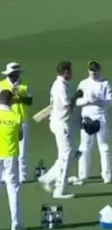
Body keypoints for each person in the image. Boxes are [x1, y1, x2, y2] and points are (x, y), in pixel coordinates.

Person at [39, 61, 79, 199]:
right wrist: (77, 96)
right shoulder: (61, 86)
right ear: (65, 72)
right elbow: (67, 106)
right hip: (61, 123)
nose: (72, 73)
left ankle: (48, 178)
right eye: (70, 71)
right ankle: (59, 189)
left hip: (59, 121)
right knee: (67, 155)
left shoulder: (59, 84)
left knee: (65, 155)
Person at [71, 61, 112, 185]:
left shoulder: (105, 83)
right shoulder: (83, 83)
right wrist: (87, 100)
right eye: (91, 70)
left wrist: (99, 101)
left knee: (104, 146)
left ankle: (107, 175)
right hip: (86, 117)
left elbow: (110, 101)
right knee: (84, 146)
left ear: (99, 70)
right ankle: (83, 175)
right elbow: (77, 102)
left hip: (101, 117)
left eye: (95, 70)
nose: (93, 72)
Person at [0, 62, 32, 183]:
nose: (15, 75)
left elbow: (30, 100)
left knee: (22, 150)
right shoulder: (1, 85)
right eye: (13, 74)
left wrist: (20, 98)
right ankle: (3, 175)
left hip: (21, 119)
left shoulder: (25, 85)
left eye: (17, 73)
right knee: (4, 148)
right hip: (4, 121)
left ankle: (22, 175)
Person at [0, 90, 23, 230]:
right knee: (12, 189)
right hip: (11, 155)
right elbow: (20, 136)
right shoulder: (16, 117)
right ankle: (16, 223)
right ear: (10, 101)